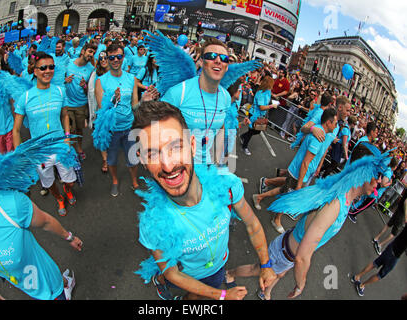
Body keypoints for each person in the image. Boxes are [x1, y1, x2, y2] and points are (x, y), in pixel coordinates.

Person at [133, 101, 276, 300]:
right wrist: (222, 295)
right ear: (142, 159)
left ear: (192, 145)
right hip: (187, 277)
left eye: (175, 147)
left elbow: (252, 224)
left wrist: (266, 264)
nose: (167, 165)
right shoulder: (152, 224)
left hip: (219, 266)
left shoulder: (226, 185)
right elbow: (172, 272)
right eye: (153, 153)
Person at [227, 142, 387, 300]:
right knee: (257, 269)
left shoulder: (345, 197)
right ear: (363, 171)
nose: (379, 181)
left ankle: (266, 293)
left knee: (280, 274)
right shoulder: (335, 205)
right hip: (285, 253)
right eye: (377, 175)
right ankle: (230, 274)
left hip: (288, 253)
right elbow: (302, 257)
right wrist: (300, 285)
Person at [0, 152, 82, 300]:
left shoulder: (10, 206)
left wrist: (70, 238)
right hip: (28, 288)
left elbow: (46, 222)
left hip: (50, 288)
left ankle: (65, 284)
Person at [13, 51, 77, 217]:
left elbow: (65, 116)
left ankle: (67, 190)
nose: (47, 71)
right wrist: (20, 154)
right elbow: (16, 130)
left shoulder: (60, 91)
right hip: (40, 152)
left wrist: (68, 138)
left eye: (51, 67)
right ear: (35, 71)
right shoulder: (25, 98)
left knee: (70, 180)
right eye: (43, 68)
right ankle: (59, 198)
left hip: (61, 146)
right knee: (48, 182)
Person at [253, 108, 338, 233]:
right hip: (299, 172)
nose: (336, 127)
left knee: (284, 191)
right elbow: (305, 162)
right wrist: (299, 185)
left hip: (301, 173)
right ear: (328, 123)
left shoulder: (320, 132)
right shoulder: (318, 137)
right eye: (335, 123)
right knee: (288, 195)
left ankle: (260, 195)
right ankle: (275, 217)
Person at [160, 37, 232, 165]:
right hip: (177, 166)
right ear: (201, 62)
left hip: (205, 168)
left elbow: (221, 127)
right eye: (211, 56)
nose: (218, 61)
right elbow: (156, 128)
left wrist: (216, 160)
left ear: (226, 67)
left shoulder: (226, 97)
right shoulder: (179, 92)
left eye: (224, 58)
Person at [95, 43, 141, 196]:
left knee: (133, 159)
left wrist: (144, 100)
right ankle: (115, 180)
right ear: (107, 59)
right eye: (112, 57)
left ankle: (134, 180)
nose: (115, 60)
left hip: (129, 127)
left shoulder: (131, 79)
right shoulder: (100, 81)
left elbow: (134, 106)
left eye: (119, 57)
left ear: (123, 58)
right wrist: (113, 100)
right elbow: (102, 111)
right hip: (112, 130)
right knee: (112, 160)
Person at [351, 225, 407, 297]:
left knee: (375, 263)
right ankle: (362, 285)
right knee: (380, 275)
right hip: (395, 256)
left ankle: (357, 276)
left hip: (391, 247)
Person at [64, 41, 97, 160]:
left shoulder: (91, 69)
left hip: (81, 105)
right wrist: (65, 80)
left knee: (78, 130)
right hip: (67, 103)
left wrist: (85, 86)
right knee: (69, 129)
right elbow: (60, 78)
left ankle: (79, 147)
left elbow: (90, 90)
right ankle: (73, 151)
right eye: (90, 51)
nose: (91, 54)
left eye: (93, 53)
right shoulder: (69, 63)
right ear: (82, 51)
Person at [239, 75, 278, 156]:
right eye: (271, 83)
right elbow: (262, 107)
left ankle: (243, 136)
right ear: (268, 84)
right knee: (251, 131)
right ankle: (244, 147)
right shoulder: (260, 93)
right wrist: (272, 106)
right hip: (254, 114)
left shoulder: (268, 92)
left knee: (257, 131)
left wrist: (273, 98)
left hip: (260, 115)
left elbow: (267, 100)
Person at [372, 189, 407, 255]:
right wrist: (406, 216)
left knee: (389, 224)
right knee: (394, 233)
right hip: (402, 214)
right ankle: (379, 245)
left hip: (400, 209)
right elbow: (406, 202)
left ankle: (376, 238)